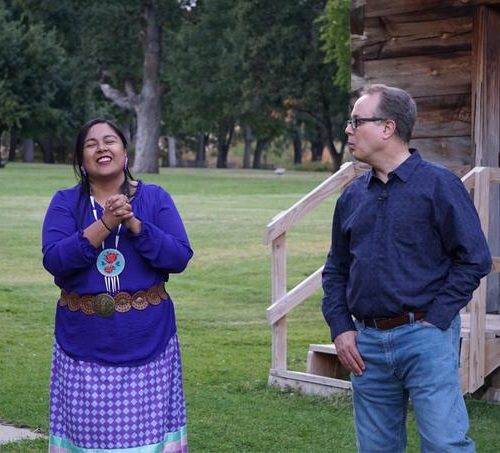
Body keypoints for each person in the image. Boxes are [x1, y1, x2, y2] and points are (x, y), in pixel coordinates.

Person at [321, 84, 492, 452]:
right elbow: (336, 269)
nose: (348, 130)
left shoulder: (439, 185)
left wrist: (436, 319)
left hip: (425, 337)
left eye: (356, 121)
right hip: (365, 346)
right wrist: (341, 328)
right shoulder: (352, 196)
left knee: (444, 445)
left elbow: (474, 258)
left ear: (387, 127)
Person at [42, 118, 193, 452]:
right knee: (87, 437)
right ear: (81, 161)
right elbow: (55, 261)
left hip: (148, 337)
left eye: (110, 141)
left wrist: (135, 225)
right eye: (91, 144)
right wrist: (105, 223)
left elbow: (179, 257)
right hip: (83, 341)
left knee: (146, 440)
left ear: (125, 153)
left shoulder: (154, 198)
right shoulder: (66, 202)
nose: (101, 148)